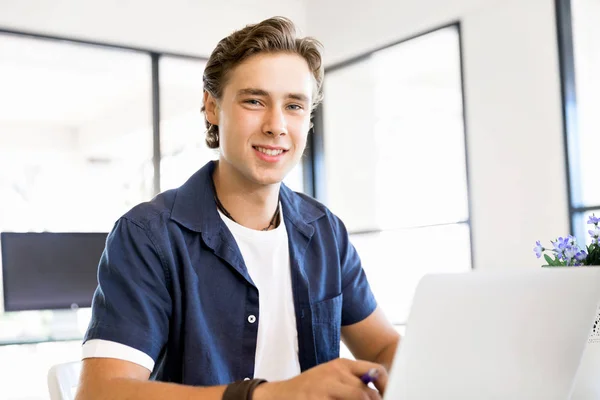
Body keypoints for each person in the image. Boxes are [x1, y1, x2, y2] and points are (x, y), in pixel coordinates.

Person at [76, 16, 400, 400]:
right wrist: (268, 395)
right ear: (212, 108)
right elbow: (100, 392)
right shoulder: (148, 235)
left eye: (294, 106)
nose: (276, 125)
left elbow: (382, 349)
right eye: (254, 101)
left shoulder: (326, 231)